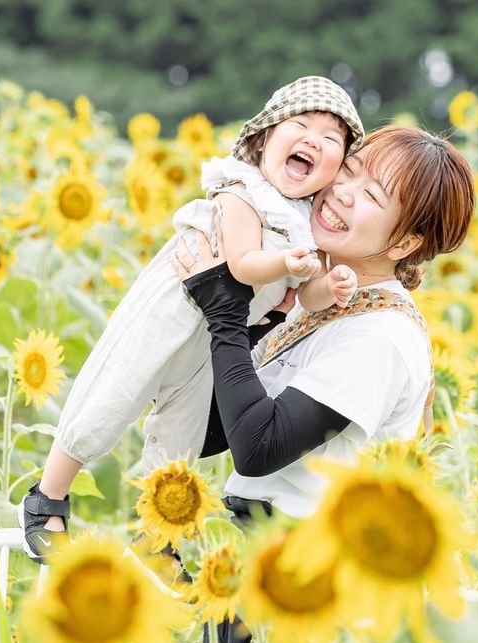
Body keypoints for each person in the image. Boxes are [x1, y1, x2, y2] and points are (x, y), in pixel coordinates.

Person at [175, 124, 476, 643]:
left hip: (305, 578)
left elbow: (259, 447)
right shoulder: (327, 300)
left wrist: (225, 311)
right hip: (256, 557)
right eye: (352, 171)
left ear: (406, 242)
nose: (341, 192)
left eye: (371, 196)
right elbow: (215, 431)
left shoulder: (380, 335)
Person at [18, 77, 365, 559]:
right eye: (301, 124)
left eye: (332, 140)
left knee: (178, 434)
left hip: (217, 337)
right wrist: (288, 264)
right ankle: (46, 500)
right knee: (112, 396)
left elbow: (306, 296)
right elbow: (242, 264)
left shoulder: (310, 225)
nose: (314, 139)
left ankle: (156, 536)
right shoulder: (243, 193)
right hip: (171, 311)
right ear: (264, 137)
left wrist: (331, 286)